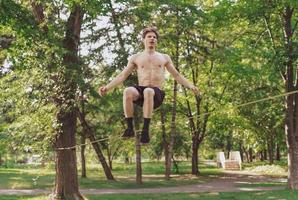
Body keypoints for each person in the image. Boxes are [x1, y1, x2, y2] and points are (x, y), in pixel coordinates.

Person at [98, 27, 199, 144]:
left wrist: (190, 85)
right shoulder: (136, 58)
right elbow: (122, 76)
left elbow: (176, 75)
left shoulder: (164, 57)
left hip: (157, 94)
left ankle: (145, 131)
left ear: (157, 41)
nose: (152, 39)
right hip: (142, 92)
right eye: (149, 37)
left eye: (154, 37)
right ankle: (130, 128)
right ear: (143, 40)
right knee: (127, 91)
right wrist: (107, 87)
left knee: (149, 91)